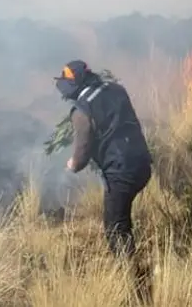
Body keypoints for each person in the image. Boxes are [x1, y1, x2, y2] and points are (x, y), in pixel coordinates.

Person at [55, 59, 153, 260]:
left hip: (121, 173)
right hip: (143, 163)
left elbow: (81, 155)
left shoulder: (81, 112)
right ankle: (134, 261)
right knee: (123, 217)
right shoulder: (116, 89)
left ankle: (132, 278)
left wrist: (72, 165)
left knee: (115, 228)